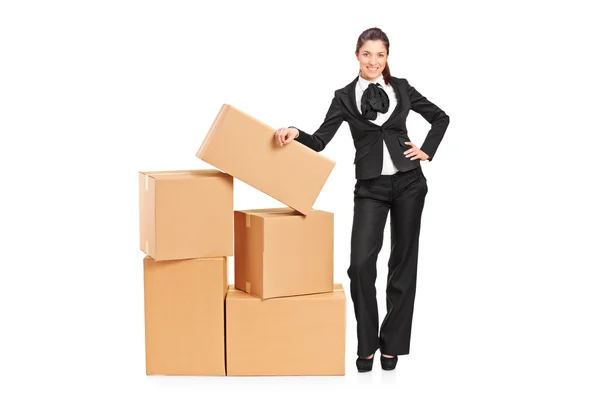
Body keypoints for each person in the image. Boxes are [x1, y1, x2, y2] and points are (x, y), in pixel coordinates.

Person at [274, 27, 449, 372]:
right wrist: (296, 133)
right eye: (367, 54)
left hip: (409, 184)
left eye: (380, 55)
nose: (373, 61)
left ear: (387, 57)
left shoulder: (402, 88)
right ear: (357, 55)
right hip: (370, 188)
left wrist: (427, 150)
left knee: (402, 264)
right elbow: (321, 139)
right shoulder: (343, 96)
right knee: (360, 266)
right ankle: (367, 342)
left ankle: (392, 344)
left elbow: (440, 118)